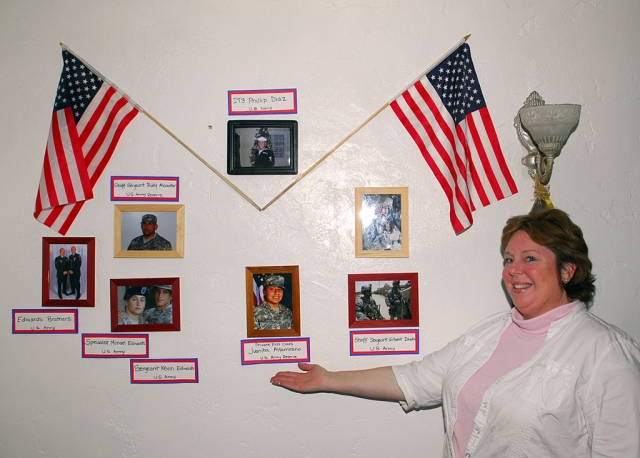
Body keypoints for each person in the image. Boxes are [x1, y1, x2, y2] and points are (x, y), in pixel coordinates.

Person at [270, 209, 640, 457]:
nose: (514, 270)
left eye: (531, 258)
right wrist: (328, 378)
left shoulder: (606, 352)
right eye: (509, 260)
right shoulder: (492, 331)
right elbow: (414, 379)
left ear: (567, 270)